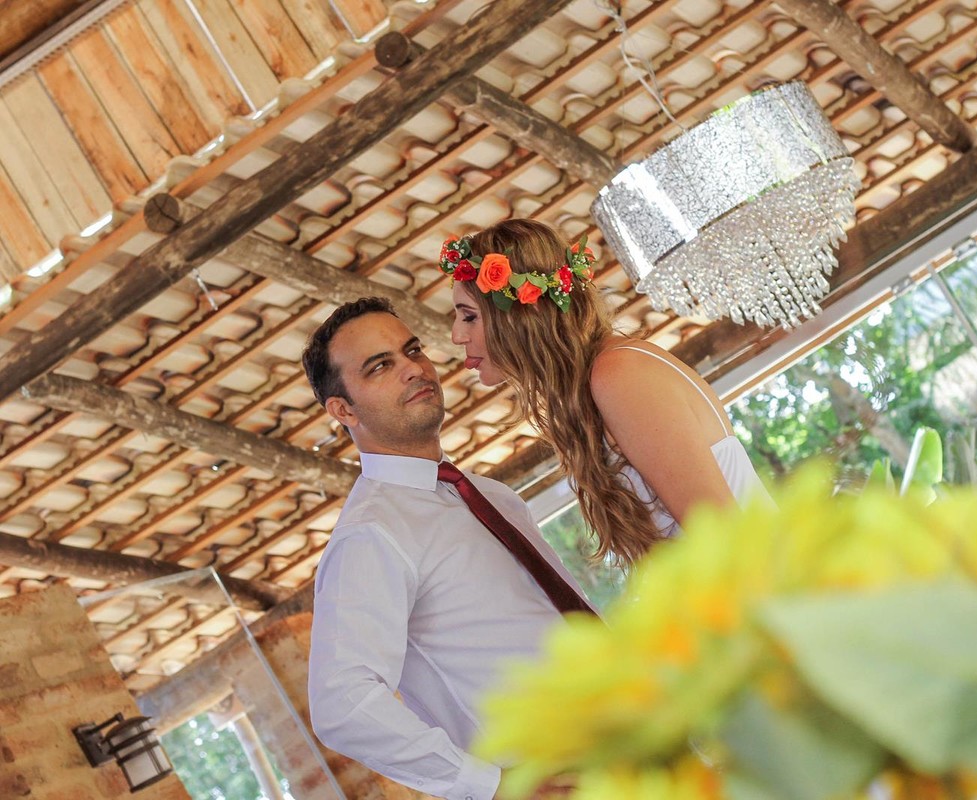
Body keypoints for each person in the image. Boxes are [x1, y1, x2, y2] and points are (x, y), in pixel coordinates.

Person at [302, 297, 590, 800]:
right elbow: (341, 703)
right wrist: (491, 787)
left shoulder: (491, 496)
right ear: (343, 409)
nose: (413, 368)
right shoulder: (371, 536)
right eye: (380, 366)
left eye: (411, 350)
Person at [445, 219, 772, 567]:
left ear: (527, 309)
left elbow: (724, 538)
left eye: (469, 317)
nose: (456, 336)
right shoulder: (600, 379)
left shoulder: (619, 374)